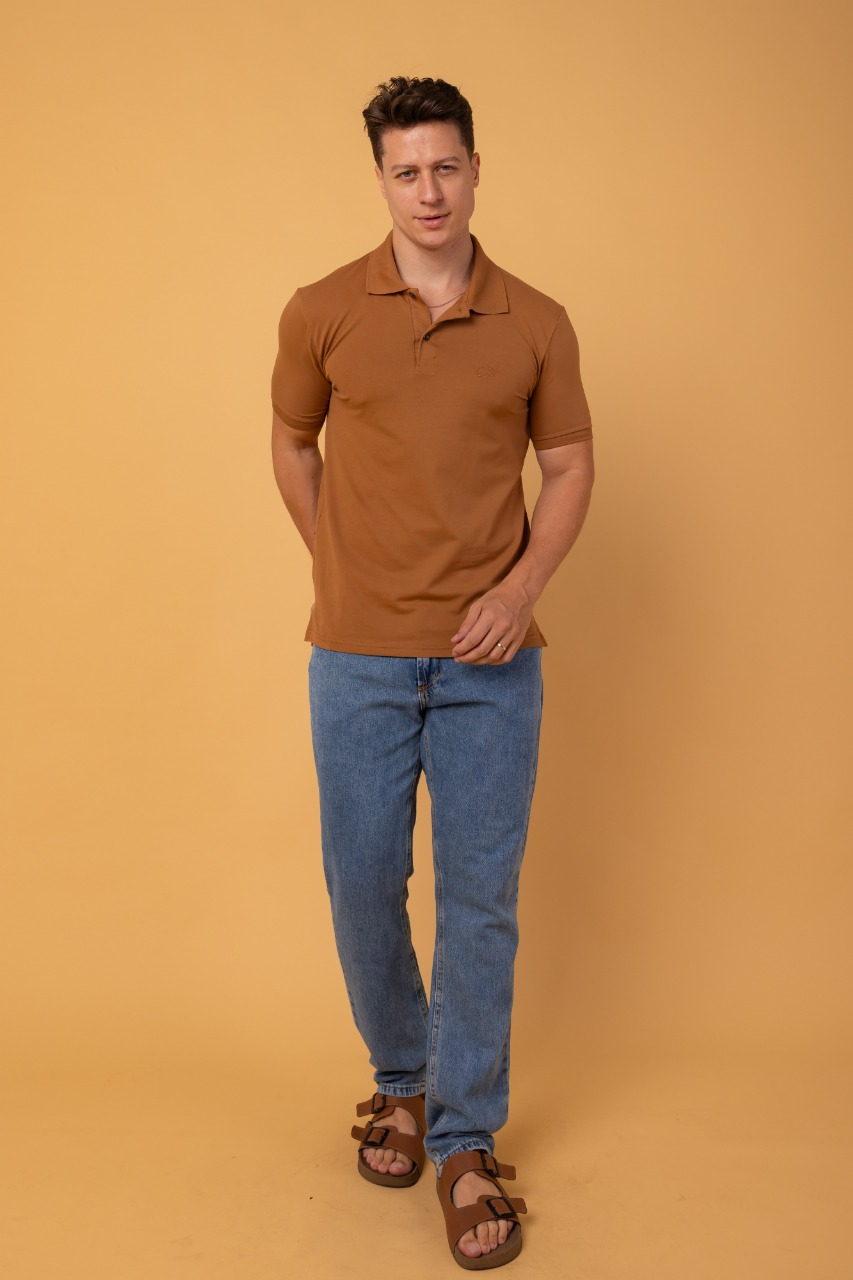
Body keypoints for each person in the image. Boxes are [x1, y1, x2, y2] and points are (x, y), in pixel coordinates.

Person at [270, 75, 594, 1270]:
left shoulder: (536, 321)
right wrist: (337, 561)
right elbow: (290, 440)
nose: (428, 192)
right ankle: (399, 1081)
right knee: (361, 884)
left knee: (478, 903)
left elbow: (570, 463)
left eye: (445, 166)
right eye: (406, 171)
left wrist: (520, 592)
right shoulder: (320, 310)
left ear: (474, 169)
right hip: (354, 659)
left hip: (488, 667)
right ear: (381, 179)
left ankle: (463, 1139)